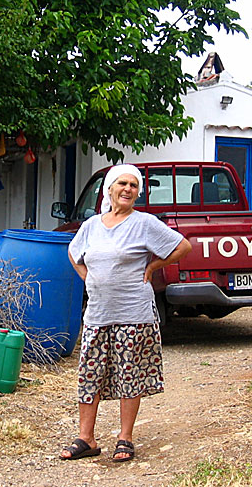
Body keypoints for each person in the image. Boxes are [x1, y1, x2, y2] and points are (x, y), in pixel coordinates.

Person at [59, 164, 192, 463]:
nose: (128, 189)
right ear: (109, 189)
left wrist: (153, 267)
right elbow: (73, 251)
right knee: (89, 375)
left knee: (129, 373)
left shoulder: (144, 223)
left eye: (134, 185)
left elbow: (182, 246)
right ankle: (86, 438)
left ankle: (125, 438)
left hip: (134, 312)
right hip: (97, 314)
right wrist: (87, 277)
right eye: (122, 183)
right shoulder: (91, 225)